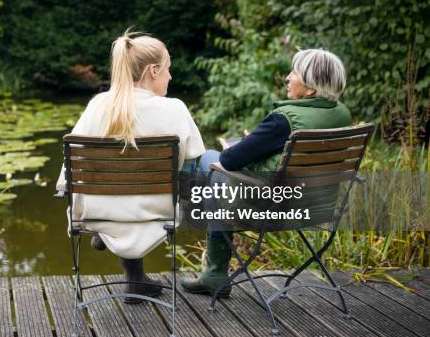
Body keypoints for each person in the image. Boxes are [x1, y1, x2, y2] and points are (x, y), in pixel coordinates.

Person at [180, 48, 352, 296]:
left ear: (311, 89)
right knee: (215, 172)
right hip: (316, 207)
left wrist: (249, 146)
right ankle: (212, 266)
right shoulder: (341, 113)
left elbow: (229, 160)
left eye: (294, 73)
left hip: (270, 208)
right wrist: (261, 146)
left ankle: (215, 271)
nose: (288, 78)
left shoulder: (284, 120)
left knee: (210, 160)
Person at [56, 29, 205, 303]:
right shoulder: (174, 109)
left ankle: (110, 239)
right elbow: (192, 163)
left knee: (117, 195)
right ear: (153, 70)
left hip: (97, 210)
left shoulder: (98, 106)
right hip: (156, 211)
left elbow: (68, 174)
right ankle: (131, 270)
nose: (170, 76)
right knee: (184, 179)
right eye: (168, 69)